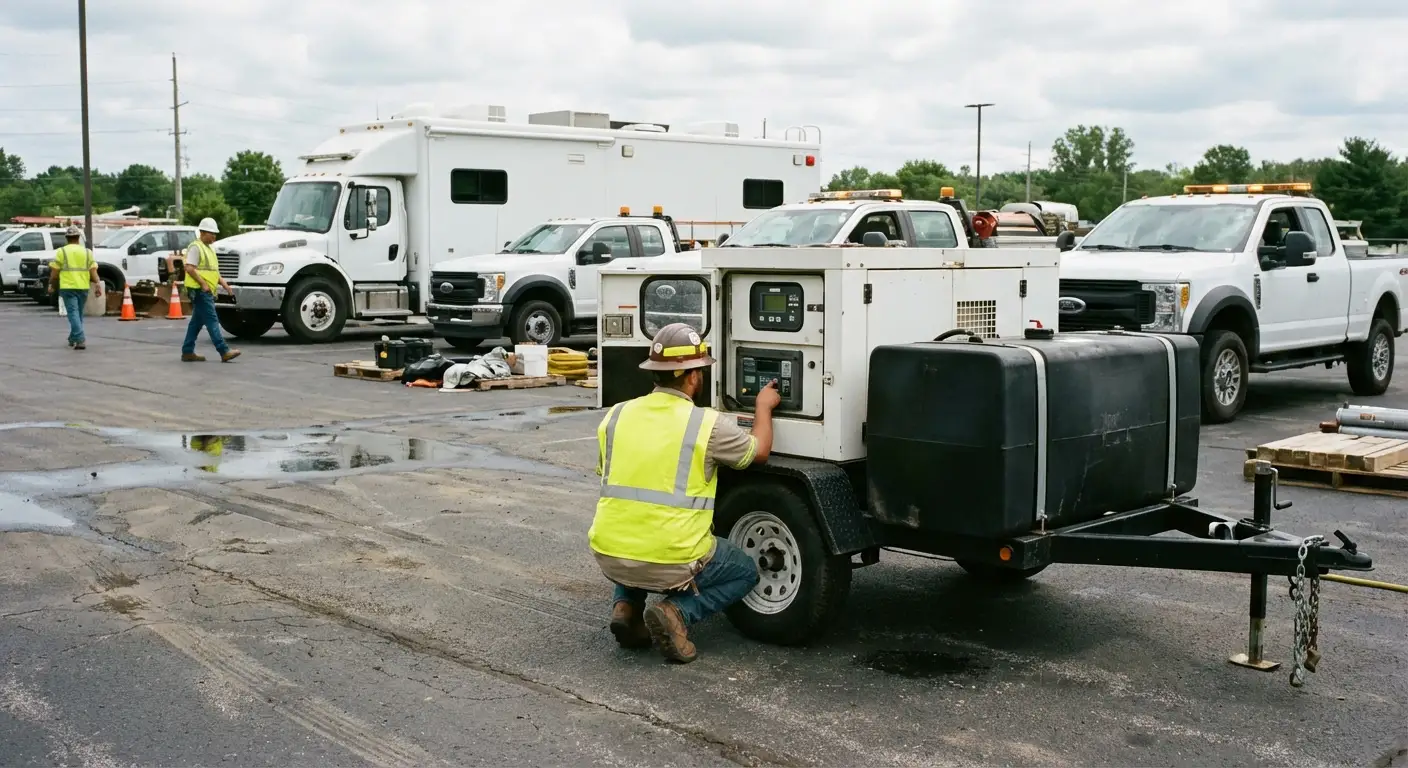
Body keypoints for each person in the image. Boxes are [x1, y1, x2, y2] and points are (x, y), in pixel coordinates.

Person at [588, 323, 781, 663]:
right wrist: (763, 406)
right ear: (693, 377)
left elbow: (612, 476)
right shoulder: (706, 424)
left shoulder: (616, 416)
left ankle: (626, 607)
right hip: (671, 559)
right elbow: (758, 451)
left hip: (609, 554)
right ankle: (677, 613)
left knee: (637, 527)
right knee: (745, 571)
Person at [181, 217, 241, 363]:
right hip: (200, 290)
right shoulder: (196, 247)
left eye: (215, 234)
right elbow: (189, 268)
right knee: (212, 320)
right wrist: (203, 284)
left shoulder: (209, 249)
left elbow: (214, 272)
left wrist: (225, 285)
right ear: (202, 232)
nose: (214, 236)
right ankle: (223, 350)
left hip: (205, 290)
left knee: (196, 322)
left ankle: (187, 351)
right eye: (211, 233)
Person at [48, 225, 99, 350]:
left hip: (68, 287)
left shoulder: (62, 251)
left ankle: (80, 339)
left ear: (67, 238)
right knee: (78, 313)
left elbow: (55, 271)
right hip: (83, 287)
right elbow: (93, 271)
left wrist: (51, 284)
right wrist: (97, 284)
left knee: (73, 313)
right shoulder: (87, 252)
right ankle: (73, 338)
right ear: (78, 238)